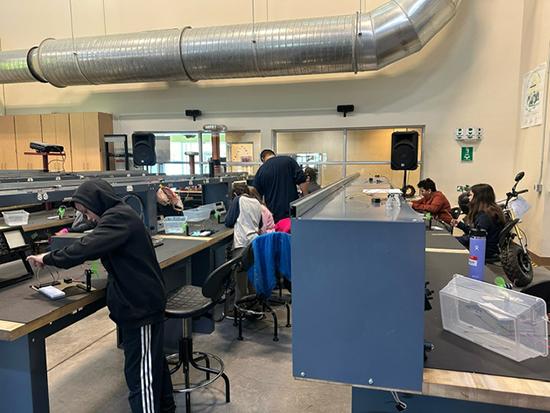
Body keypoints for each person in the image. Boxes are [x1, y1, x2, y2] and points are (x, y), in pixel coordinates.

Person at [27, 179, 175, 413]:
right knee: (152, 364)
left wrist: (47, 258)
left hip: (140, 306)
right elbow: (90, 237)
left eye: (86, 211)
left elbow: (87, 246)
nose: (87, 218)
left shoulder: (118, 218)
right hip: (142, 301)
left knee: (141, 377)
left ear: (98, 202)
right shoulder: (119, 215)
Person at [225, 182, 263, 302]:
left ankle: (240, 305)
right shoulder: (257, 202)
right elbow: (260, 223)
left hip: (242, 242)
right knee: (252, 272)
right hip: (255, 241)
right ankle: (253, 304)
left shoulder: (238, 200)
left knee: (240, 273)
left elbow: (229, 221)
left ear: (235, 193)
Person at [252, 149, 308, 222]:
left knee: (279, 231)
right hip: (292, 210)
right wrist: (306, 198)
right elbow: (302, 180)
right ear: (274, 154)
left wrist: (264, 208)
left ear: (263, 159)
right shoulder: (289, 161)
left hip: (274, 213)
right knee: (294, 230)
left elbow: (255, 191)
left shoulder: (262, 169)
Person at [451, 183, 505, 259]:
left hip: (483, 251)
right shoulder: (492, 211)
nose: (468, 198)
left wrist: (452, 240)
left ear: (478, 198)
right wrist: (460, 225)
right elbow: (477, 233)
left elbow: (475, 238)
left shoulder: (484, 216)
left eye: (470, 195)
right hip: (490, 248)